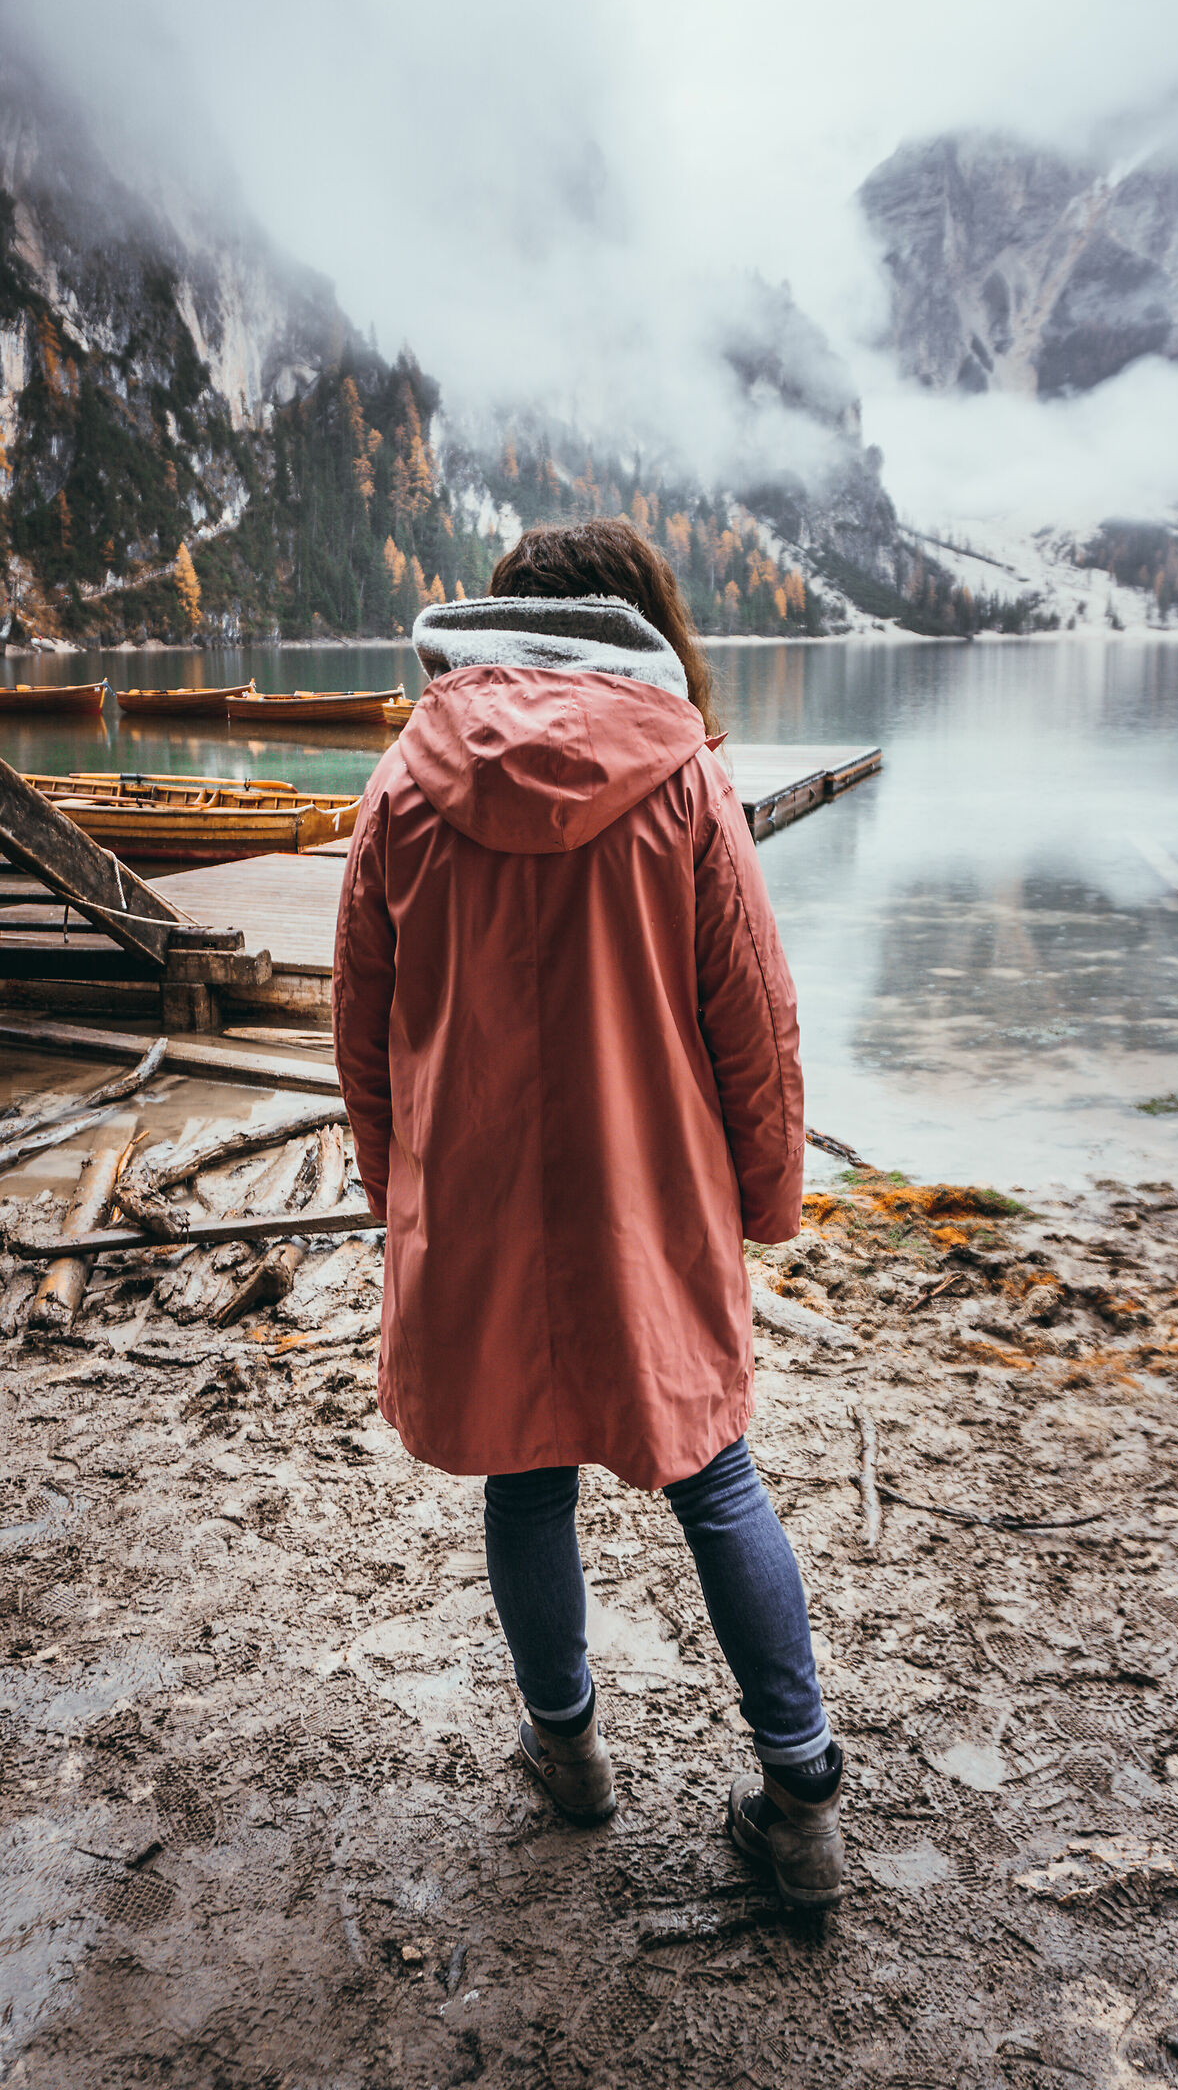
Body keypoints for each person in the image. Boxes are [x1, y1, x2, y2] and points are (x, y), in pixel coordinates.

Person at [333, 517, 844, 1907]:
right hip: (650, 1198)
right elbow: (755, 1022)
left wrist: (399, 1197)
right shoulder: (685, 783)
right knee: (715, 1473)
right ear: (642, 621)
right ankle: (801, 1794)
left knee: (524, 1475)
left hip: (479, 1201)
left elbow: (362, 1026)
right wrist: (765, 1195)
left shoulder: (404, 783)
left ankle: (567, 1755)